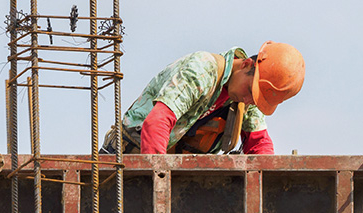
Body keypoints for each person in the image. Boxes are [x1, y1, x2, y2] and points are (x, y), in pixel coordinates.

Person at [102, 42, 304, 155]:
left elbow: (259, 144)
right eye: (252, 93)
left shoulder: (244, 97)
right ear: (246, 65)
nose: (251, 100)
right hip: (129, 157)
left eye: (258, 100)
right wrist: (157, 182)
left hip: (168, 165)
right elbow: (156, 123)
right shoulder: (202, 70)